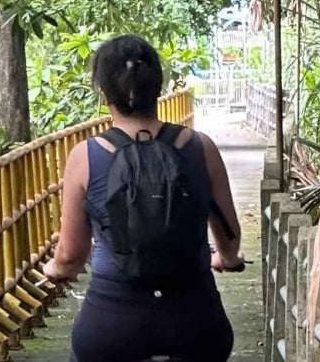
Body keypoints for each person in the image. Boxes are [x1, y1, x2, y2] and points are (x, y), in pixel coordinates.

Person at [42, 34, 244, 362]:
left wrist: (54, 268)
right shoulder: (201, 147)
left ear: (104, 93)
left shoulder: (86, 156)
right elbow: (229, 237)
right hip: (196, 325)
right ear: (159, 88)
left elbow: (71, 255)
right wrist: (226, 258)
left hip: (111, 328)